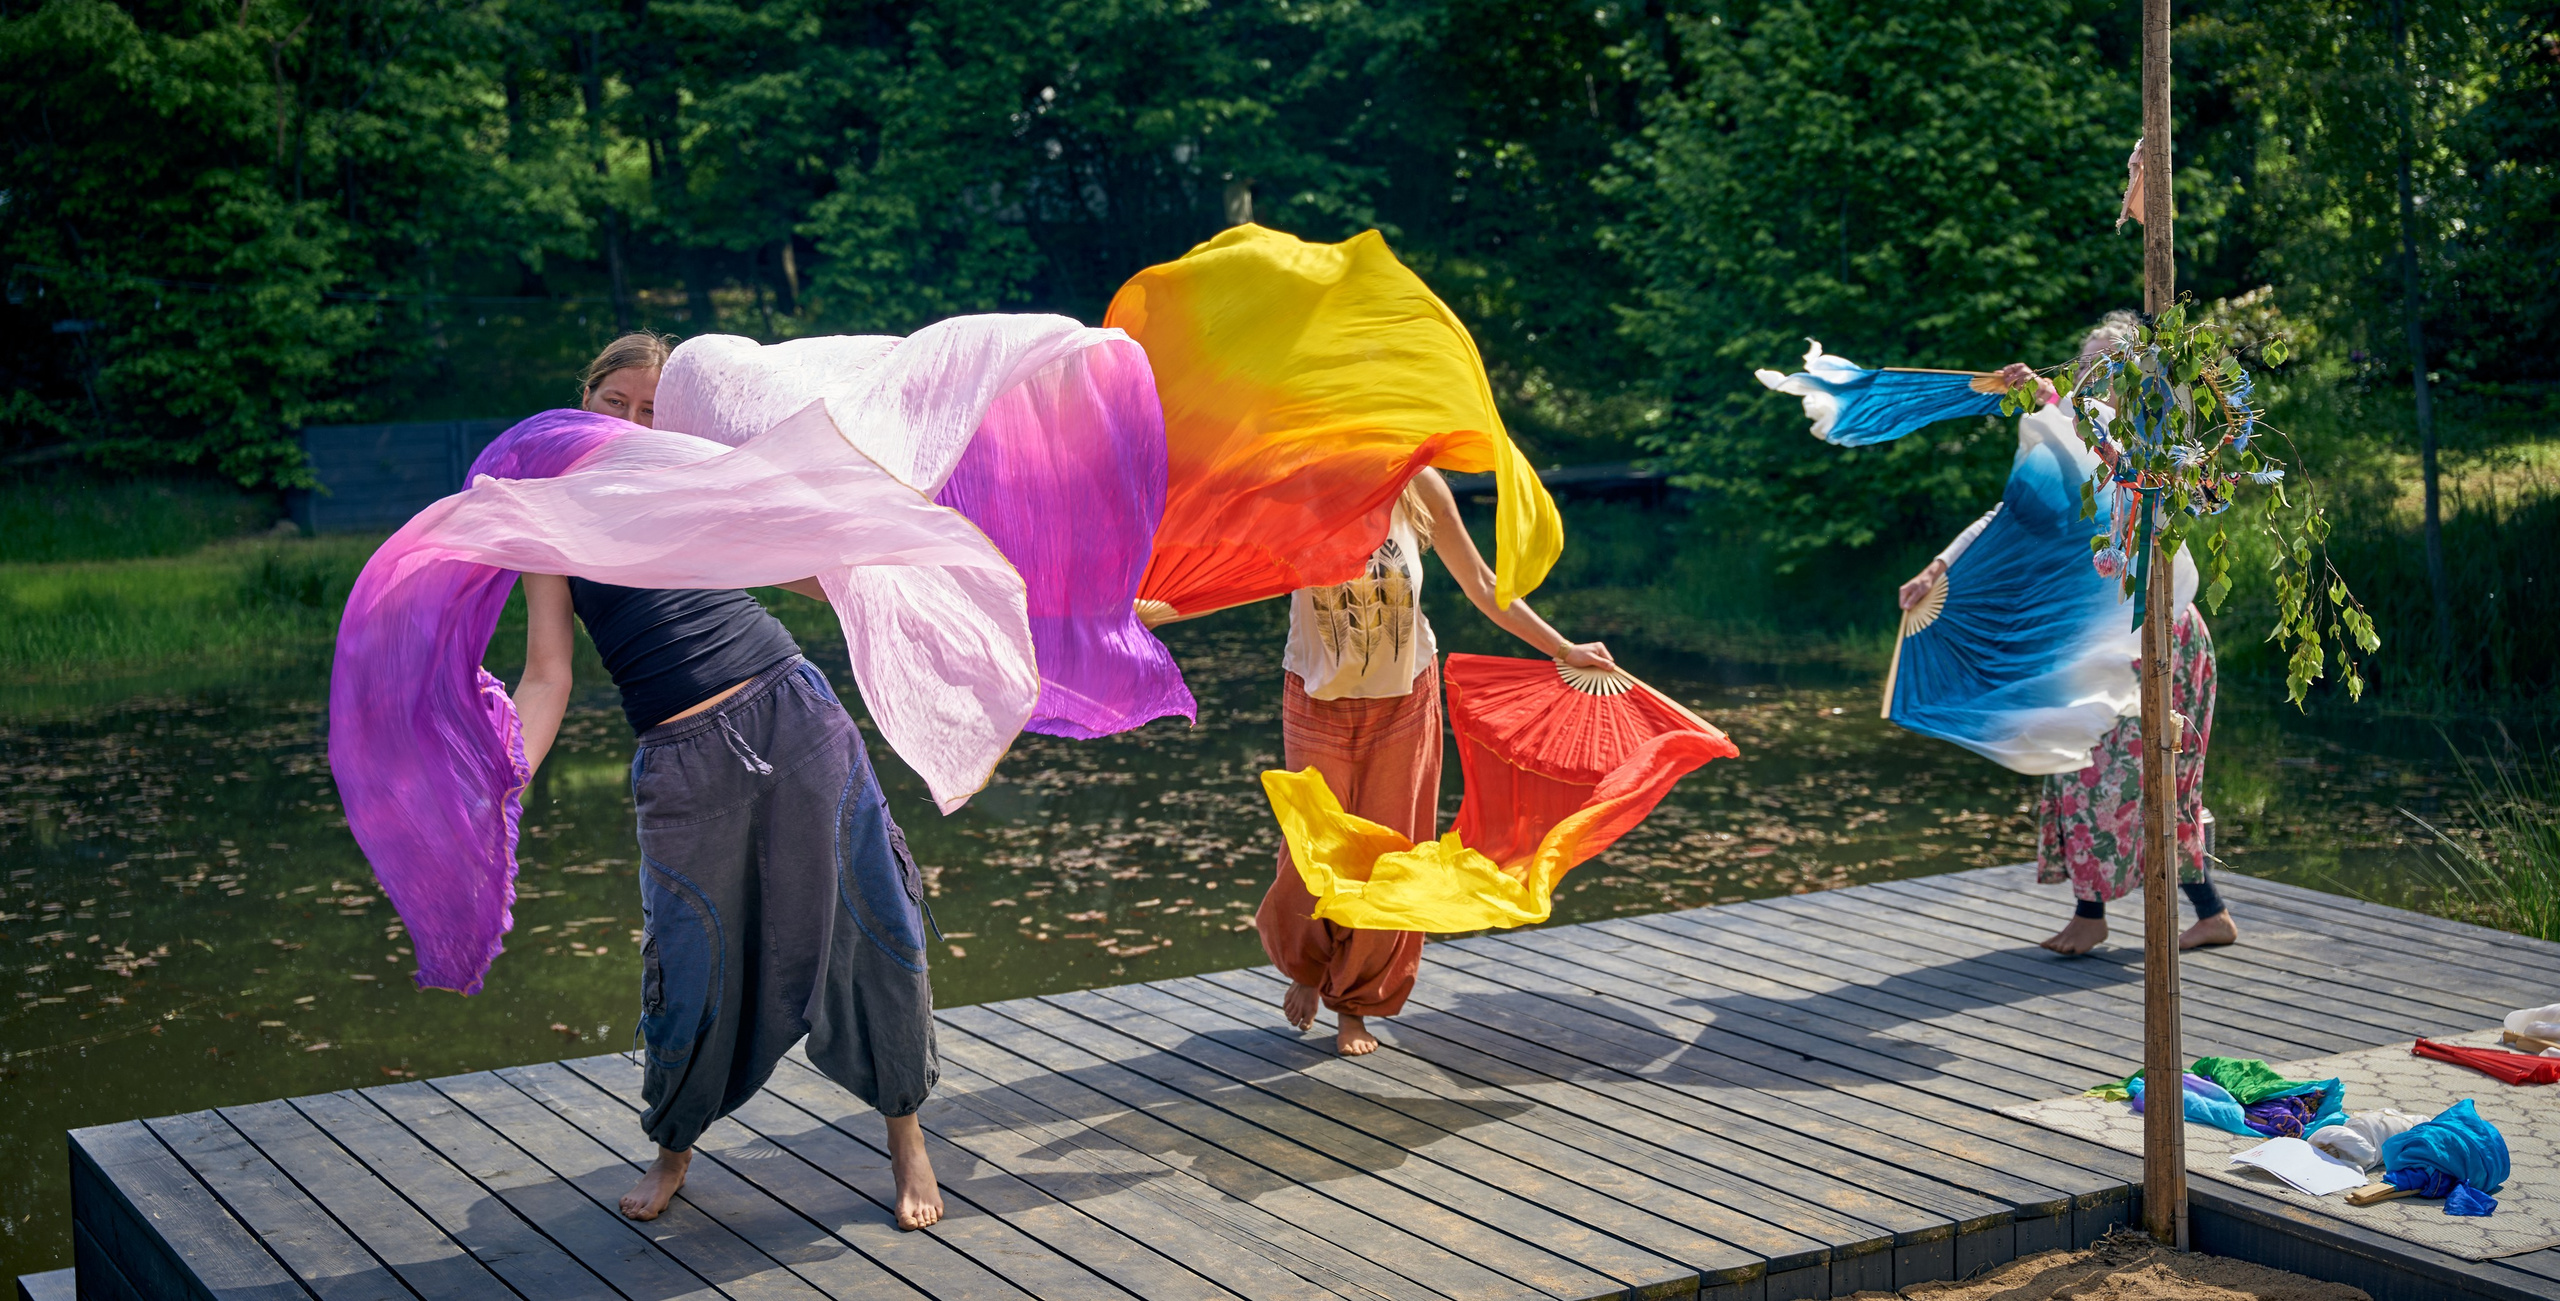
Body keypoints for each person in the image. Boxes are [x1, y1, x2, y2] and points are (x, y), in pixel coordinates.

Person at [511, 333, 945, 1228]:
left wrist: (941, 565)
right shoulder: (548, 520)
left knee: (870, 922)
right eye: (615, 401)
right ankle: (672, 1147)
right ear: (582, 399)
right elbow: (547, 675)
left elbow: (823, 575)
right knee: (689, 959)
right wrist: (507, 778)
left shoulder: (699, 478)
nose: (633, 421)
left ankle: (908, 1138)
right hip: (679, 762)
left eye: (652, 408)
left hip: (793, 717)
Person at [1896, 313, 2240, 957]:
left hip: (2157, 635)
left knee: (2158, 775)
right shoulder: (2073, 436)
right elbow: (2012, 515)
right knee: (2076, 760)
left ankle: (2194, 911)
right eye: (2087, 363)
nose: (2094, 375)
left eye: (2110, 366)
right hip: (2094, 636)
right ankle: (2101, 913)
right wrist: (1936, 568)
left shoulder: (2152, 445)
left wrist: (2051, 403)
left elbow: (2130, 467)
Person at [1258, 468, 1616, 1055]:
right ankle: (1308, 965)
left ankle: (1355, 1004)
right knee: (1310, 846)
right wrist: (1161, 610)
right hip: (1316, 697)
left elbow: (1482, 582)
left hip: (1404, 699)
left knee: (1392, 854)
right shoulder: (1297, 484)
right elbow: (1233, 573)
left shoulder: (1418, 485)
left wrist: (1562, 648)